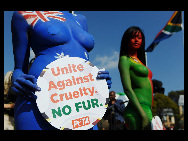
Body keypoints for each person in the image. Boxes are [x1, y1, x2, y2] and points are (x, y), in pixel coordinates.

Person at [11, 11, 112, 130]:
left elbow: (82, 60)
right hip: (39, 98)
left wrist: (98, 78)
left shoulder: (80, 19)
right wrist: (17, 78)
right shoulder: (25, 14)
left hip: (81, 101)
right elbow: (19, 69)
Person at [118, 26, 153, 130]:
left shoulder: (140, 61)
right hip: (137, 110)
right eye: (133, 37)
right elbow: (127, 89)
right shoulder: (125, 59)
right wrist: (142, 114)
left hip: (146, 108)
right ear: (126, 39)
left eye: (139, 37)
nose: (137, 40)